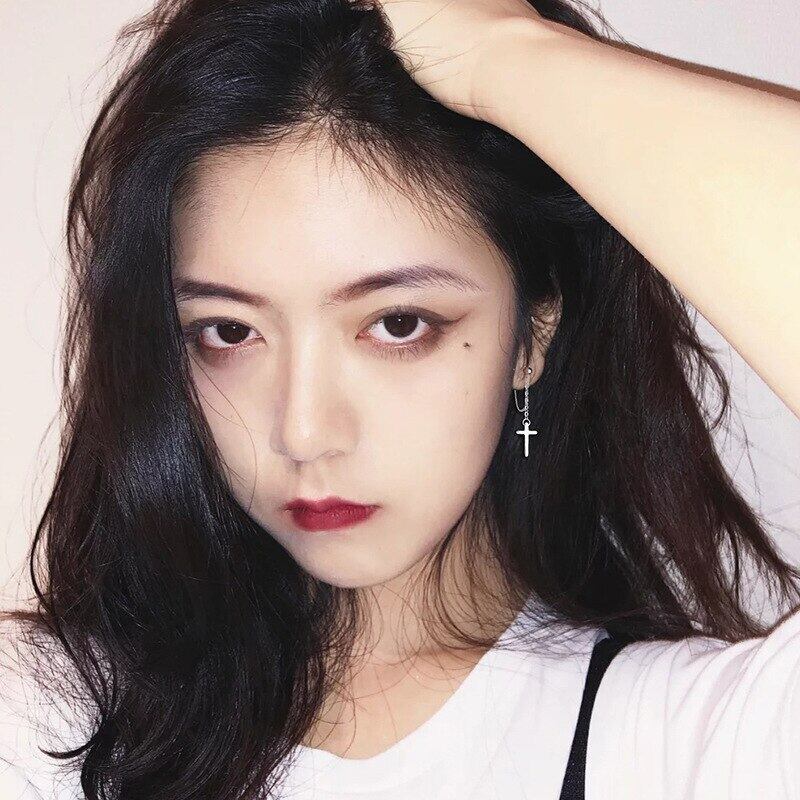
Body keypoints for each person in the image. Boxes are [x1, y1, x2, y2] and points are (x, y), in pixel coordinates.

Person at [1, 0, 799, 798]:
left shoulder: (684, 744)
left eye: (397, 324)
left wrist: (501, 55)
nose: (304, 432)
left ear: (532, 333)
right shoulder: (48, 718)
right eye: (230, 333)